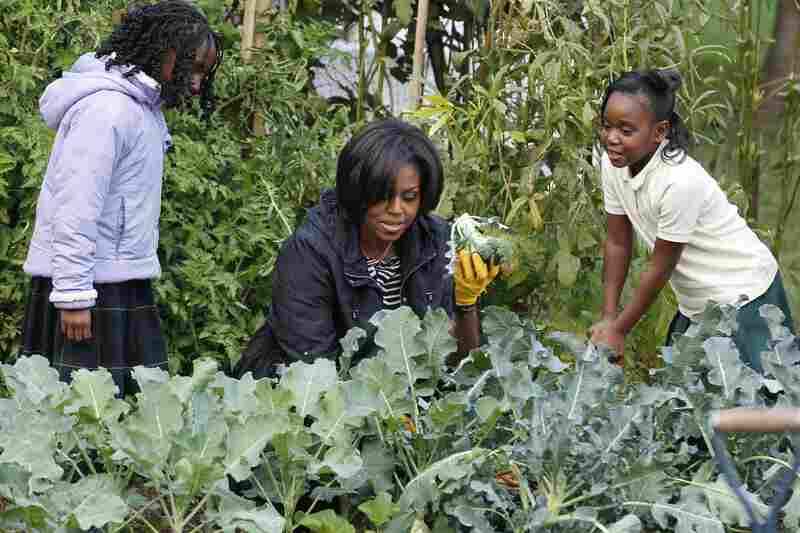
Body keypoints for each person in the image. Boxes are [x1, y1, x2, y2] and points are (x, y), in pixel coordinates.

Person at [19, 1, 223, 394]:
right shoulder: (106, 109)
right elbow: (75, 206)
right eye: (193, 66)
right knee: (76, 413)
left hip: (119, 277)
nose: (197, 82)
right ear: (162, 49)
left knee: (128, 417)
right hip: (86, 286)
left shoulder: (143, 108)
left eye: (203, 72)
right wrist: (73, 297)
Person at [236, 118, 499, 377]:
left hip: (398, 399)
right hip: (301, 397)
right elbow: (314, 373)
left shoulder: (436, 240)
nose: (397, 210)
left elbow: (457, 366)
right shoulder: (309, 253)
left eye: (409, 197)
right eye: (383, 195)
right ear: (358, 191)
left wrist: (466, 303)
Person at [590, 69, 794, 373]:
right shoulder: (612, 162)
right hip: (698, 305)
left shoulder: (678, 181)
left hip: (746, 298)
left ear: (659, 132)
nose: (612, 138)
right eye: (607, 126)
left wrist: (619, 330)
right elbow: (618, 242)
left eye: (626, 130)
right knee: (684, 407)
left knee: (761, 410)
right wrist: (608, 318)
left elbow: (661, 266)